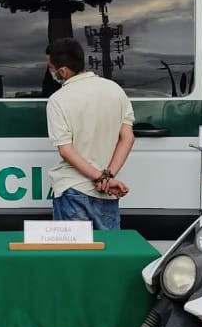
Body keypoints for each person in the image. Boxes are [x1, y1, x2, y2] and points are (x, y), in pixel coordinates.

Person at [45, 38, 135, 230]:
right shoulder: (115, 90)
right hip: (105, 192)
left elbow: (66, 151)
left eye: (50, 68)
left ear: (62, 71)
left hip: (73, 189)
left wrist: (99, 178)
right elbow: (127, 138)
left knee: (73, 257)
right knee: (109, 254)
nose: (50, 72)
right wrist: (108, 176)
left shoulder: (58, 100)